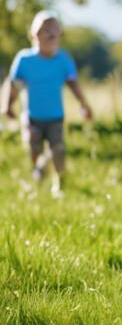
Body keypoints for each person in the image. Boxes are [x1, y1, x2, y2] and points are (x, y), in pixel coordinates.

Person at [1, 10, 92, 192]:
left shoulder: (64, 61)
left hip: (55, 116)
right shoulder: (24, 59)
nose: (51, 34)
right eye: (46, 29)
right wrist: (6, 106)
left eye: (55, 30)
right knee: (34, 144)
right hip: (31, 116)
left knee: (57, 149)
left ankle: (59, 183)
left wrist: (84, 105)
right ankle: (38, 172)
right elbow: (14, 86)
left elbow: (73, 85)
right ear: (35, 34)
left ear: (60, 34)